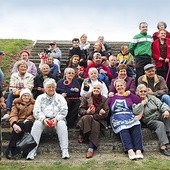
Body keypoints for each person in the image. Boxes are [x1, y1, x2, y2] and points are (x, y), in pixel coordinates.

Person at [26, 78, 69, 160]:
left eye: (53, 87)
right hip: (44, 120)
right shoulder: (40, 98)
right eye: (49, 87)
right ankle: (31, 151)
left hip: (57, 120)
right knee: (37, 124)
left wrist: (56, 119)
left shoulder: (60, 97)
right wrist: (43, 119)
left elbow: (64, 110)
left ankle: (65, 151)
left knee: (62, 124)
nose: (51, 89)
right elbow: (36, 111)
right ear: (45, 88)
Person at [108, 79, 144, 160]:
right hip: (117, 117)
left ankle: (138, 150)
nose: (120, 87)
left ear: (125, 86)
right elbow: (105, 106)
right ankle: (130, 150)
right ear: (115, 87)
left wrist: (130, 94)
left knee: (136, 125)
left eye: (121, 85)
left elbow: (140, 102)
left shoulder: (130, 95)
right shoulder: (112, 97)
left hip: (129, 115)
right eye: (118, 86)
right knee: (123, 128)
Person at [136, 84, 170, 156]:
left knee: (167, 115)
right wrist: (142, 104)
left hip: (158, 115)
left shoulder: (152, 98)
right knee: (160, 125)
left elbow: (161, 104)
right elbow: (135, 112)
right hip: (149, 120)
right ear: (137, 92)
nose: (143, 93)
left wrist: (166, 111)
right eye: (141, 91)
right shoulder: (135, 100)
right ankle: (163, 146)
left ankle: (168, 134)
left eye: (145, 91)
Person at [77, 82, 109, 158]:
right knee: (86, 117)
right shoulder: (86, 96)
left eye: (98, 88)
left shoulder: (104, 99)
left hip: (98, 120)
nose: (96, 89)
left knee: (95, 124)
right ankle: (84, 135)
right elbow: (80, 110)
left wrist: (100, 114)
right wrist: (87, 112)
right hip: (86, 117)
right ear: (92, 88)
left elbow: (106, 113)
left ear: (101, 90)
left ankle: (90, 147)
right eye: (95, 88)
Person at [5, 88, 35, 159]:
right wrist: (14, 124)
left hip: (30, 120)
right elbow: (13, 115)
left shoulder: (34, 104)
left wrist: (28, 119)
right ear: (21, 96)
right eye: (24, 95)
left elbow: (35, 114)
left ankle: (22, 149)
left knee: (28, 125)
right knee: (20, 125)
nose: (26, 97)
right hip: (18, 121)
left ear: (30, 96)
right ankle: (10, 148)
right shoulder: (16, 104)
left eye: (28, 95)